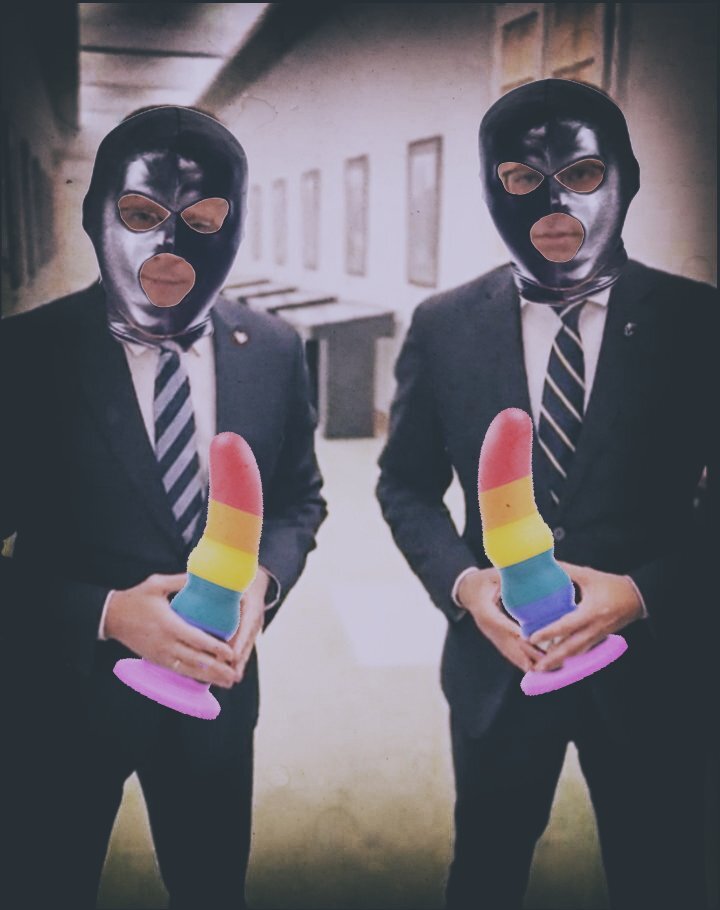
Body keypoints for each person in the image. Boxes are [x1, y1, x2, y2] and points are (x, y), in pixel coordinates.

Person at [376, 79, 717, 909]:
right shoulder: (444, 325)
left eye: (582, 173)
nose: (554, 201)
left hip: (654, 666)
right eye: (524, 178)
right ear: (492, 189)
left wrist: (643, 591)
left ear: (626, 177)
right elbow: (406, 484)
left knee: (663, 871)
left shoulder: (695, 322)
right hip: (498, 664)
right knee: (485, 870)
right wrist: (464, 586)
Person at [1, 106, 326, 909]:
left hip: (217, 695)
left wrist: (264, 583)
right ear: (94, 215)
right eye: (143, 215)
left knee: (211, 885)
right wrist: (107, 613)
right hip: (65, 698)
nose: (171, 246)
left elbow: (298, 499)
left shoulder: (275, 350)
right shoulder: (26, 357)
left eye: (203, 220)